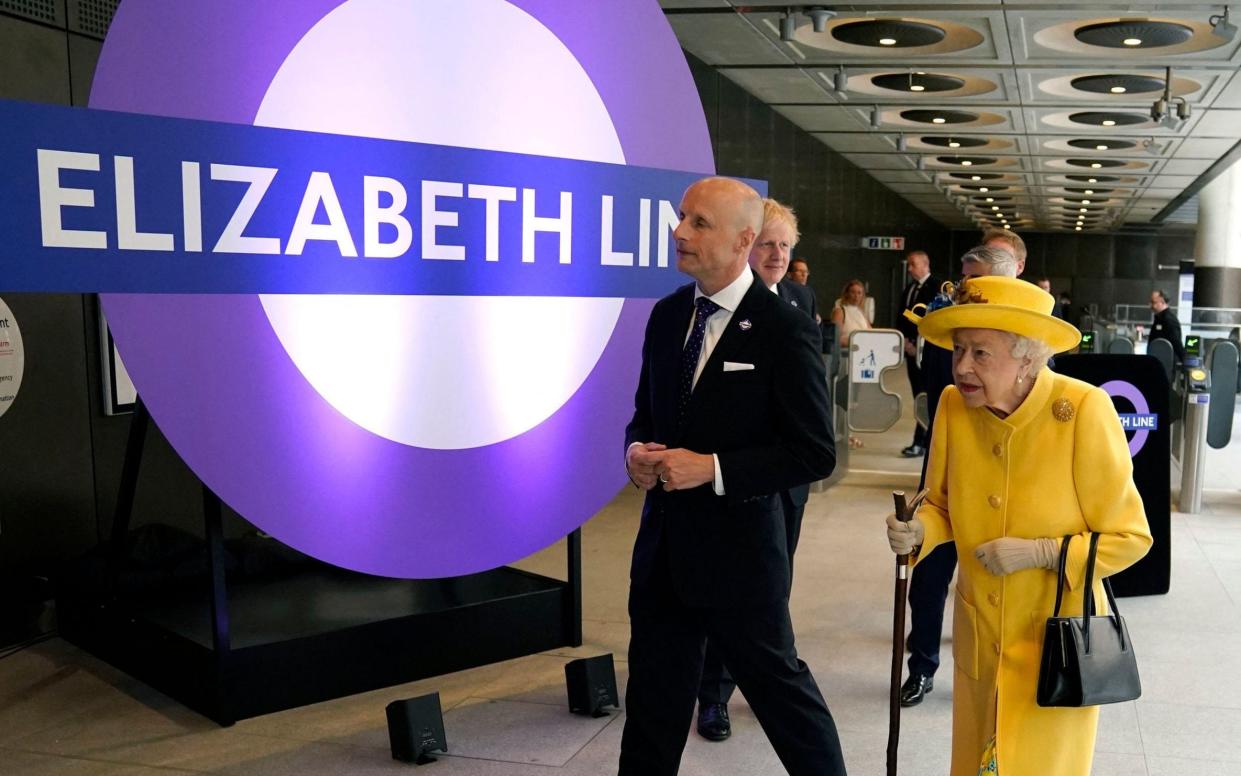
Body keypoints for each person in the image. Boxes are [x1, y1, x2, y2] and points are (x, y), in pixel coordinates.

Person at [621, 177, 846, 775]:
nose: (679, 233)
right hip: (664, 554)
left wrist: (714, 469)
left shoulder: (783, 328)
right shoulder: (668, 317)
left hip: (741, 561)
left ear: (744, 239)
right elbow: (645, 415)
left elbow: (814, 452)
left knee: (784, 701)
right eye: (682, 219)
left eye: (698, 223)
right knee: (651, 710)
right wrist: (636, 453)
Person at [885, 275, 1152, 775]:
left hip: (1056, 642)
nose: (962, 366)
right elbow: (941, 505)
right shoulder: (952, 407)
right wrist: (919, 530)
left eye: (980, 354)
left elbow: (1132, 536)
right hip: (981, 631)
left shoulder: (1083, 411)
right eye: (959, 350)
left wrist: (1043, 552)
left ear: (1028, 356)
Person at [695, 197, 820, 742]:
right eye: (768, 244)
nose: (776, 255)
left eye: (785, 247)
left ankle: (764, 678)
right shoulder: (718, 311)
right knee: (722, 596)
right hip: (729, 488)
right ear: (746, 245)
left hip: (786, 486)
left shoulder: (798, 301)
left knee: (771, 593)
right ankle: (714, 694)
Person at [899, 245, 1017, 708]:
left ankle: (1005, 673)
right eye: (963, 281)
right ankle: (922, 666)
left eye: (977, 284)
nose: (963, 292)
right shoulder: (945, 324)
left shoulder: (1026, 342)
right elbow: (937, 386)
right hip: (951, 471)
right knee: (929, 574)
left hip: (1010, 487)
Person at [896, 250, 941, 458]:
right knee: (917, 396)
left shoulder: (937, 287)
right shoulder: (909, 289)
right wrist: (904, 340)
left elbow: (935, 318)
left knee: (925, 395)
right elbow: (901, 317)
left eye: (914, 264)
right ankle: (921, 440)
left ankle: (921, 441)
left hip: (925, 351)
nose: (910, 268)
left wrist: (918, 343)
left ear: (925, 264)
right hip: (909, 350)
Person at [832, 279, 872, 450]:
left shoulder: (862, 313)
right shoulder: (840, 311)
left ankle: (848, 433)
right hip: (844, 361)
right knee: (841, 400)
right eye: (853, 292)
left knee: (852, 401)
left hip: (860, 362)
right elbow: (835, 337)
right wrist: (855, 340)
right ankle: (839, 433)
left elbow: (870, 333)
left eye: (860, 293)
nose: (856, 296)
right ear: (847, 293)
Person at [1149, 289, 1185, 363]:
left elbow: (1176, 343)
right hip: (1160, 361)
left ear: (1162, 302)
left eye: (1154, 302)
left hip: (1166, 363)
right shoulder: (1160, 318)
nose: (1151, 305)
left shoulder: (1168, 320)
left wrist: (1185, 360)